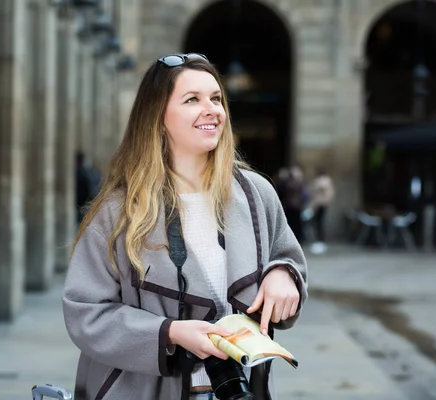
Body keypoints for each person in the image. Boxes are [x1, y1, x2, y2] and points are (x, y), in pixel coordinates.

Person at [63, 53, 308, 400]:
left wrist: (284, 273)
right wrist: (170, 333)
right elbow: (85, 310)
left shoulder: (257, 194)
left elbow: (288, 257)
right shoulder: (118, 211)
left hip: (241, 389)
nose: (211, 109)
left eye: (216, 98)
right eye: (192, 100)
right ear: (158, 117)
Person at [308, 168, 335, 254]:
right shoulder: (324, 181)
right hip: (318, 205)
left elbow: (327, 193)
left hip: (320, 205)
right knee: (316, 223)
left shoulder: (324, 181)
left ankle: (320, 242)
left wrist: (321, 201)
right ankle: (319, 241)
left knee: (318, 223)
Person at [281, 165, 308, 243]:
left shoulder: (301, 181)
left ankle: (299, 239)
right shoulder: (287, 181)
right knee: (290, 223)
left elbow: (305, 193)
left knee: (298, 224)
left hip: (298, 206)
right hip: (289, 205)